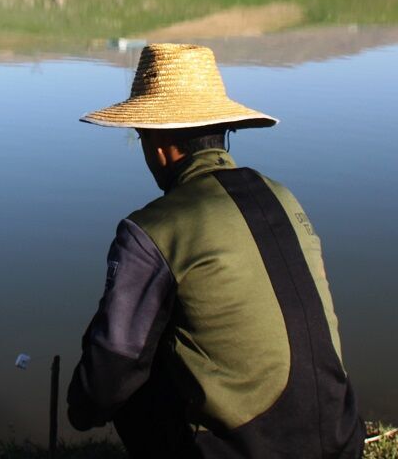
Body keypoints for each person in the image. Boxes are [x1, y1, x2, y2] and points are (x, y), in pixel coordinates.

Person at [67, 43, 364, 458]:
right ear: (222, 131)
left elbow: (110, 368)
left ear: (157, 144)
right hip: (341, 439)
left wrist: (80, 409)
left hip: (249, 451)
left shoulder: (154, 228)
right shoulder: (284, 197)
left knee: (134, 376)